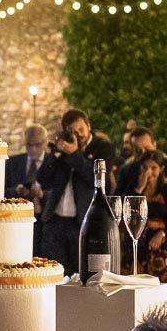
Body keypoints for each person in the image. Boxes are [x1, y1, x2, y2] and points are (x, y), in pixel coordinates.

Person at [37, 108, 103, 267]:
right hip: (55, 220)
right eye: (72, 131)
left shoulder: (101, 147)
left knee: (78, 274)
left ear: (88, 126)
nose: (78, 134)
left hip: (81, 221)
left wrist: (74, 155)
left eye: (81, 129)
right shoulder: (62, 147)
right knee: (53, 273)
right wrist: (55, 154)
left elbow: (97, 178)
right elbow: (43, 180)